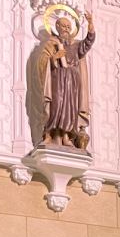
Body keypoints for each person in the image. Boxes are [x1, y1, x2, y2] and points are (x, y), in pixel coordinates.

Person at [37, 8, 96, 149]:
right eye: (63, 26)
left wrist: (90, 24)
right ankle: (50, 134)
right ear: (57, 27)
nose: (66, 29)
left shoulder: (76, 45)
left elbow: (88, 42)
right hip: (57, 78)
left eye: (69, 27)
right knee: (56, 105)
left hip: (72, 80)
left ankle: (66, 136)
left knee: (70, 108)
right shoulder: (51, 44)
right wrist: (54, 58)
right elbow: (42, 63)